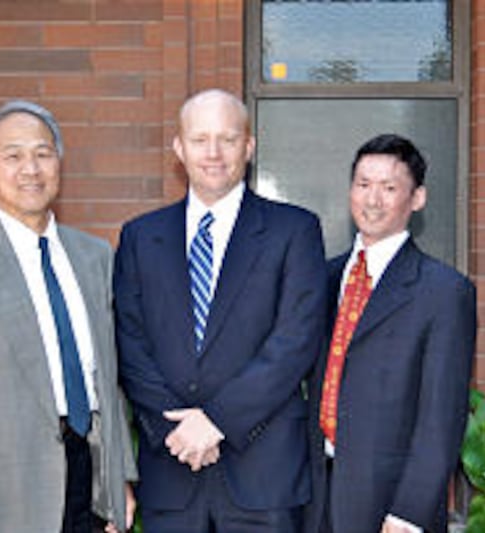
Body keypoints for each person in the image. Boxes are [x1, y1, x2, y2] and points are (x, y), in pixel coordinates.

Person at [0, 100, 137, 533]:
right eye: (12, 155)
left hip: (92, 483)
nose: (30, 169)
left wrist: (120, 479)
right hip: (8, 495)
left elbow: (111, 383)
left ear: (59, 164)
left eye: (42, 153)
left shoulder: (95, 258)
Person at [113, 88, 326, 532]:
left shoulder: (295, 230)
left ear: (248, 147)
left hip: (263, 475)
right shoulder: (139, 237)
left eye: (227, 139)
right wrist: (180, 432)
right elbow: (130, 345)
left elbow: (295, 341)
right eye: (200, 139)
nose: (213, 153)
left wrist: (217, 421)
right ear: (179, 148)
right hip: (170, 474)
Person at [304, 133, 477, 533]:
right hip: (313, 497)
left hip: (389, 505)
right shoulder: (322, 278)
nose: (372, 199)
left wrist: (410, 513)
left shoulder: (444, 292)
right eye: (363, 185)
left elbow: (442, 415)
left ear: (417, 199)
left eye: (389, 187)